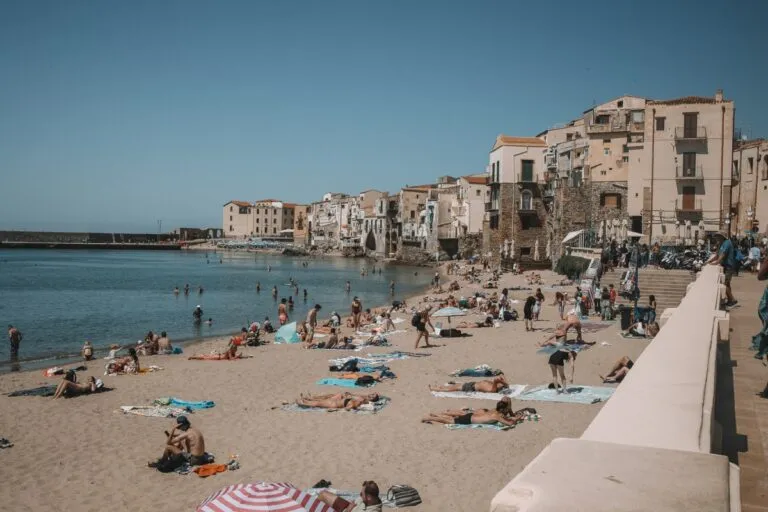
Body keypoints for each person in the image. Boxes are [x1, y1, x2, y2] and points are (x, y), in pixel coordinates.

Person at [422, 400, 522, 428]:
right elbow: (509, 424)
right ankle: (430, 418)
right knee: (448, 421)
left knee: (451, 418)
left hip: (470, 416)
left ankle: (435, 415)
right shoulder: (497, 416)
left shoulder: (493, 410)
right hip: (469, 420)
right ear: (503, 409)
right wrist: (517, 418)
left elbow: (506, 398)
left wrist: (511, 414)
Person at [708, 233, 738, 307]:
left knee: (725, 284)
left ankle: (733, 300)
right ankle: (730, 300)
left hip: (729, 267)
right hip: (725, 266)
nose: (716, 238)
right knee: (727, 284)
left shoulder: (727, 243)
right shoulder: (721, 244)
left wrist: (717, 262)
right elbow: (718, 255)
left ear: (722, 237)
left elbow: (723, 254)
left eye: (717, 236)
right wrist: (710, 261)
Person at [318, 481, 383, 512]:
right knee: (323, 494)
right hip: (348, 507)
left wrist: (348, 509)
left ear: (368, 497)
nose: (360, 495)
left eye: (361, 494)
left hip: (348, 509)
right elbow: (356, 501)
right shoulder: (372, 500)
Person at [296, 392, 380, 410]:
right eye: (372, 394)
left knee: (318, 403)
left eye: (372, 396)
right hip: (338, 401)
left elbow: (348, 407)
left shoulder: (360, 401)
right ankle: (308, 400)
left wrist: (336, 409)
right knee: (320, 401)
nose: (371, 394)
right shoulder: (361, 399)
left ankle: (304, 402)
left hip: (336, 403)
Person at [428, 375, 509, 393]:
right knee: (453, 386)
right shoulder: (498, 385)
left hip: (470, 387)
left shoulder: (493, 388)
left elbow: (496, 381)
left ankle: (434, 388)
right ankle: (438, 387)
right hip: (472, 384)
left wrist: (497, 381)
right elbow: (502, 376)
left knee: (451, 388)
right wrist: (503, 382)